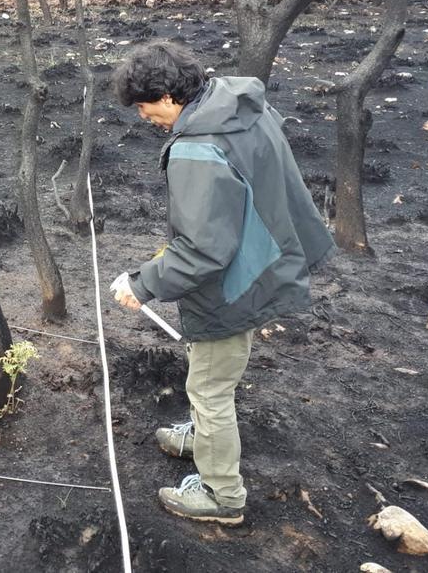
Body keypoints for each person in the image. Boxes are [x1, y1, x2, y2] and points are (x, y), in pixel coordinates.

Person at [109, 41, 335, 526]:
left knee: (210, 386)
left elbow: (204, 250)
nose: (145, 118)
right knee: (213, 373)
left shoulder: (197, 148)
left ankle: (221, 495)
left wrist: (141, 284)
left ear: (168, 95)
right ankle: (203, 436)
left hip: (234, 283)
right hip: (268, 256)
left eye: (145, 109)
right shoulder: (238, 106)